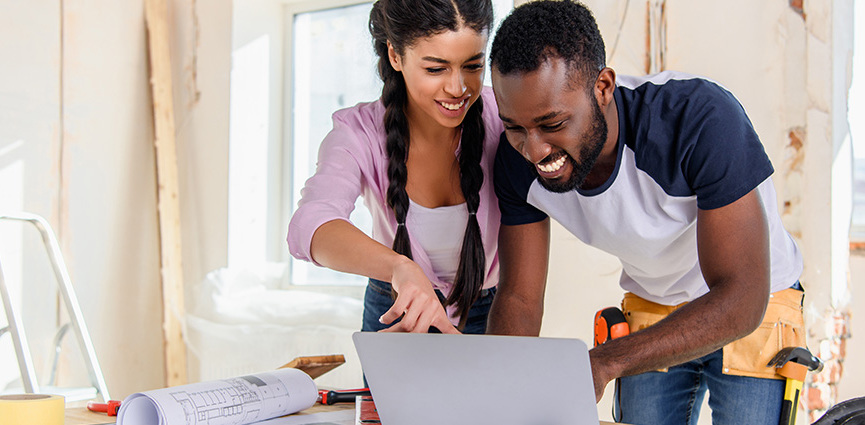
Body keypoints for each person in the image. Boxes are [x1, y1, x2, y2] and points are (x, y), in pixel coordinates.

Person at [486, 1, 806, 424]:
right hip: (654, 299)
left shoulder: (700, 119)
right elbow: (519, 298)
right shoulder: (516, 163)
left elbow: (741, 297)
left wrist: (605, 361)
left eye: (552, 123)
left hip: (756, 300)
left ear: (602, 88)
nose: (535, 149)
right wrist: (493, 392)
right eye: (514, 126)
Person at [287, 0, 503, 335]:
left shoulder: (505, 117)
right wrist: (399, 268)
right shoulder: (356, 132)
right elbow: (310, 226)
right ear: (395, 55)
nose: (458, 88)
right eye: (436, 69)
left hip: (491, 309)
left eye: (473, 66)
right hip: (395, 309)